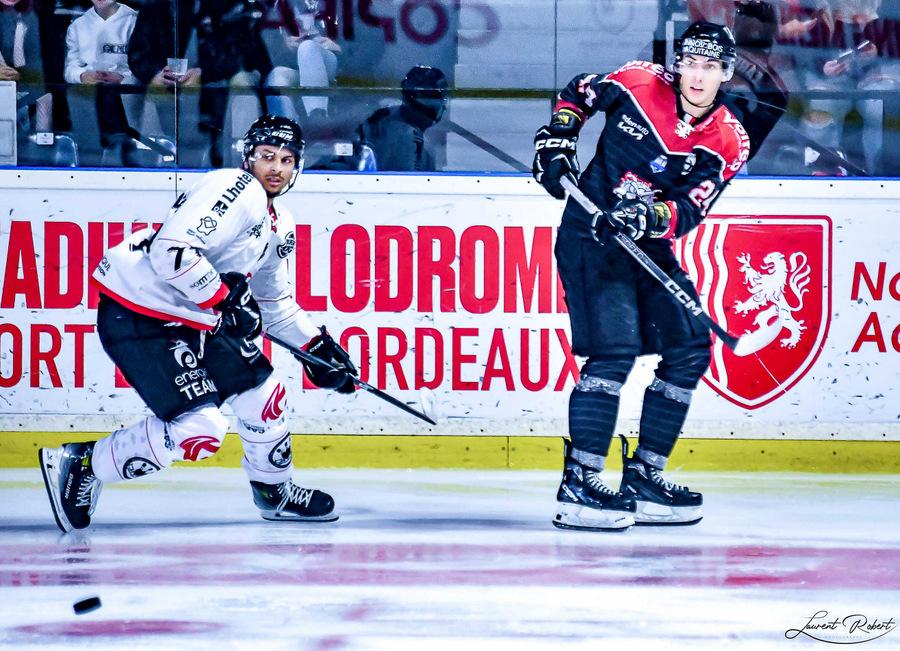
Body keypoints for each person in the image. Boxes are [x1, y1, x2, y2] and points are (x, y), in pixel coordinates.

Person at [39, 115, 358, 533]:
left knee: (263, 396)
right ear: (248, 157)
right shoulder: (237, 187)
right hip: (140, 314)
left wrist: (315, 349)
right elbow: (171, 250)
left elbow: (272, 303)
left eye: (286, 159)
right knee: (201, 429)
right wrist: (224, 299)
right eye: (267, 156)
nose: (276, 168)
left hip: (191, 318)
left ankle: (274, 492)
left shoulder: (279, 223)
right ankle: (85, 463)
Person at [534, 22, 763, 531]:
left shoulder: (729, 140)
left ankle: (644, 476)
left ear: (726, 74)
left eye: (710, 67)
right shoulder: (638, 81)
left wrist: (649, 216)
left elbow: (691, 207)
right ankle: (580, 481)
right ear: (678, 64)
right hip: (591, 235)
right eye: (691, 64)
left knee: (690, 347)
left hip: (648, 245)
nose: (697, 76)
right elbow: (579, 92)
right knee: (613, 352)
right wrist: (558, 137)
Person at [63, 0, 139, 161]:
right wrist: (82, 76)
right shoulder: (78, 26)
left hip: (128, 100)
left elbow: (146, 67)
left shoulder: (134, 21)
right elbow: (70, 68)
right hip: (88, 101)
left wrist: (123, 78)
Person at [355, 65, 449, 172]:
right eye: (442, 98)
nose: (444, 106)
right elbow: (402, 180)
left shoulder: (386, 119)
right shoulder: (406, 137)